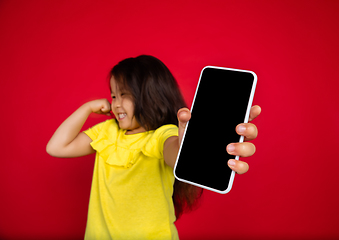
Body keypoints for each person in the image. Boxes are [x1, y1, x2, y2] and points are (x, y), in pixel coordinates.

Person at [46, 55, 261, 240]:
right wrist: (87, 107)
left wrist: (189, 142)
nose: (116, 104)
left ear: (149, 96)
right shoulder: (106, 132)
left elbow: (176, 154)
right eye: (113, 95)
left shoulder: (162, 134)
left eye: (124, 94)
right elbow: (56, 147)